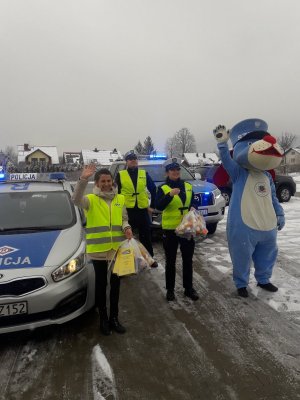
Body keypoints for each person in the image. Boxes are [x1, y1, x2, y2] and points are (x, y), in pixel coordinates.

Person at [72, 164, 133, 335]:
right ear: (97, 183)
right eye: (103, 181)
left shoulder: (120, 199)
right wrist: (83, 179)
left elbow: (124, 219)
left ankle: (114, 318)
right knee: (101, 285)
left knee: (115, 285)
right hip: (98, 250)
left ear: (112, 181)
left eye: (109, 180)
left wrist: (127, 227)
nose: (106, 183)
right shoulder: (90, 199)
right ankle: (103, 319)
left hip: (117, 250)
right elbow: (75, 199)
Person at [155, 157, 199, 302]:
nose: (175, 172)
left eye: (177, 169)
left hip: (186, 227)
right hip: (170, 229)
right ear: (167, 173)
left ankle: (188, 288)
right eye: (172, 170)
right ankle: (170, 290)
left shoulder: (187, 186)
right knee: (171, 260)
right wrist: (169, 195)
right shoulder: (162, 188)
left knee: (188, 259)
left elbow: (193, 201)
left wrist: (194, 206)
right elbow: (158, 206)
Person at [115, 150, 158, 267]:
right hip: (127, 211)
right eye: (130, 159)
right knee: (126, 237)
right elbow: (116, 194)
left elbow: (153, 189)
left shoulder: (144, 173)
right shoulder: (120, 175)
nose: (133, 160)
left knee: (146, 236)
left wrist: (152, 206)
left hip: (142, 210)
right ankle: (127, 263)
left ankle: (149, 259)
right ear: (126, 162)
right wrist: (117, 209)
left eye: (135, 159)